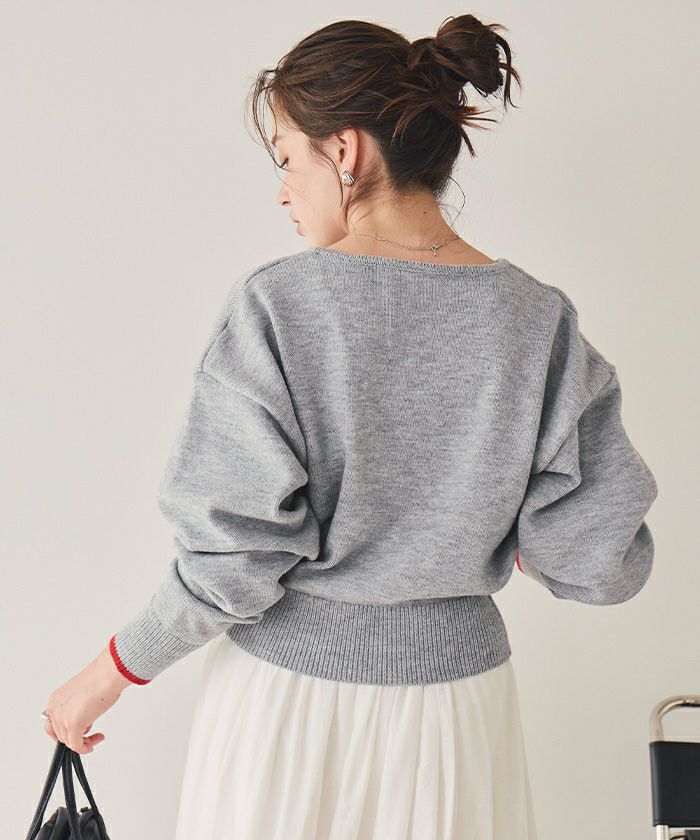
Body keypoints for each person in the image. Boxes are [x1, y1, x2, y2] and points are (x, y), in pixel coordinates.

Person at [40, 14, 659, 840]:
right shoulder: (539, 320)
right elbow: (601, 563)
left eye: (286, 158)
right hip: (460, 715)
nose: (282, 190)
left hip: (290, 708)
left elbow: (234, 560)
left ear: (345, 150)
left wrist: (107, 674)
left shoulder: (279, 306)